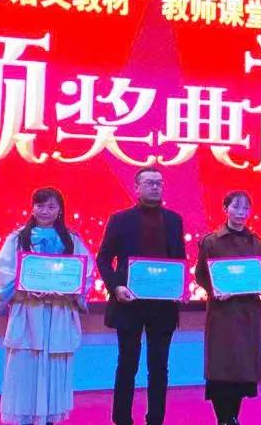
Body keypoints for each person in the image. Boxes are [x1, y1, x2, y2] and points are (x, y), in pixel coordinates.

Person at [0, 187, 94, 425]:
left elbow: (85, 273)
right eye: (40, 205)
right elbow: (3, 273)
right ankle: (24, 418)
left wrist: (68, 290)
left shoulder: (72, 240)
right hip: (28, 311)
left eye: (51, 206)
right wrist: (24, 289)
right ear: (32, 208)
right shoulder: (17, 238)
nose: (45, 211)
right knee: (24, 364)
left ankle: (49, 417)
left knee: (54, 364)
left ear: (60, 210)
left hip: (59, 311)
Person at [96, 167, 187, 425]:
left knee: (159, 367)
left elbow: (179, 259)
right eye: (149, 183)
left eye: (159, 183)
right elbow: (103, 259)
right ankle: (122, 419)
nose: (155, 187)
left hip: (163, 306)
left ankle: (155, 419)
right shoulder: (120, 220)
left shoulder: (174, 220)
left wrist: (181, 288)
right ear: (136, 187)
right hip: (129, 303)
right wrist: (116, 287)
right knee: (127, 364)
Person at [195, 191, 261, 425]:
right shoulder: (211, 241)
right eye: (236, 207)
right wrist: (215, 290)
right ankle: (224, 418)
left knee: (241, 369)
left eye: (246, 208)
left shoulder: (255, 242)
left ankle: (233, 417)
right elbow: (201, 275)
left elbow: (259, 275)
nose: (241, 213)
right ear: (225, 209)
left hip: (247, 314)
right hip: (222, 314)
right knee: (221, 368)